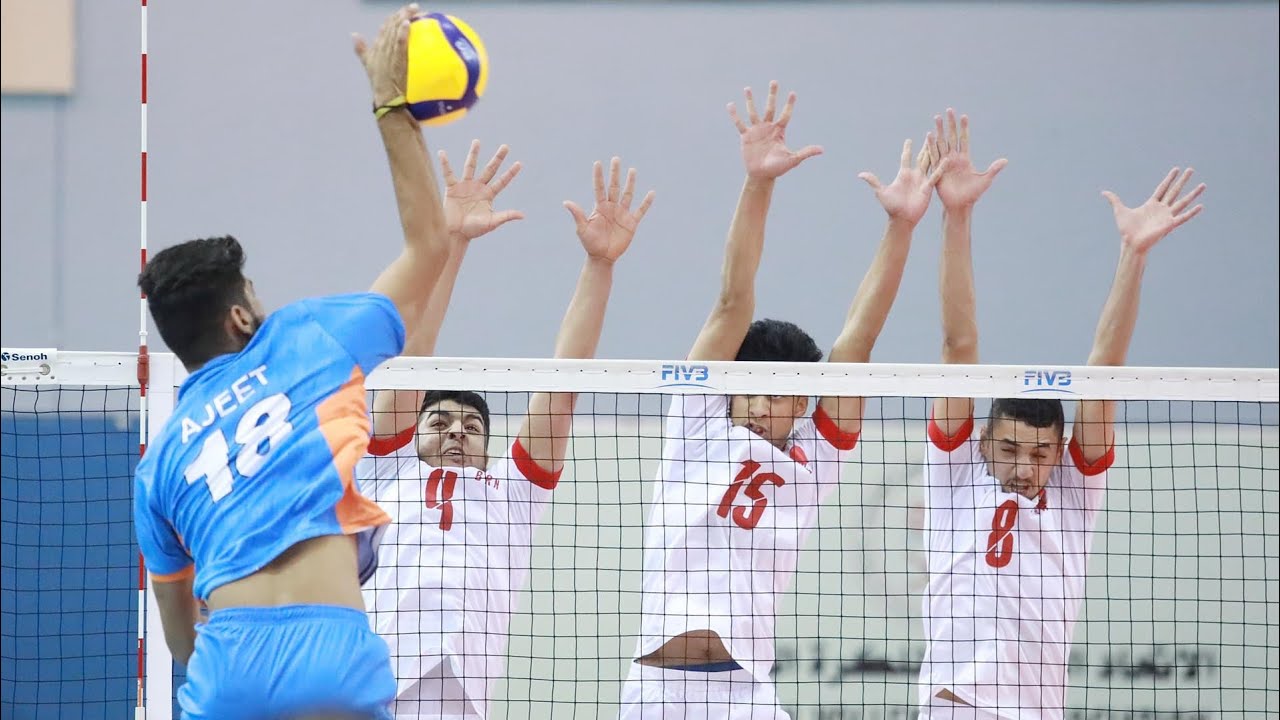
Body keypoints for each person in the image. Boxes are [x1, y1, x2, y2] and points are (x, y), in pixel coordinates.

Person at [131, 6, 452, 718]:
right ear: (240, 317)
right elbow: (429, 245)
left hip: (229, 666)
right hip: (332, 655)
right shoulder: (307, 339)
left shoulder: (158, 463)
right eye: (252, 291)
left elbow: (181, 640)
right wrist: (391, 107)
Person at [621, 81, 948, 719]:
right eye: (758, 390)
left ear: (803, 404)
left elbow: (858, 340)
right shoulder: (697, 423)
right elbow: (731, 301)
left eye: (785, 395)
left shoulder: (816, 457)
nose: (769, 407)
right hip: (661, 693)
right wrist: (759, 183)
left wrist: (901, 226)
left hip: (749, 694)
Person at [918, 108, 1206, 720]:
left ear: (1060, 451)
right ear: (982, 443)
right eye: (1010, 450)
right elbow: (958, 346)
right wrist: (956, 216)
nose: (1025, 467)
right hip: (954, 708)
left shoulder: (1074, 494)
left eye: (1041, 453)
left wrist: (1134, 254)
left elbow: (1104, 368)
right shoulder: (954, 477)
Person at [356, 147, 655, 718]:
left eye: (472, 427)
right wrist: (452, 241)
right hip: (375, 689)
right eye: (439, 422)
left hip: (464, 698)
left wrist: (600, 265)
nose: (456, 433)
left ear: (490, 448)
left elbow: (563, 383)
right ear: (412, 432)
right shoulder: (385, 470)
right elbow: (414, 354)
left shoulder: (513, 493)